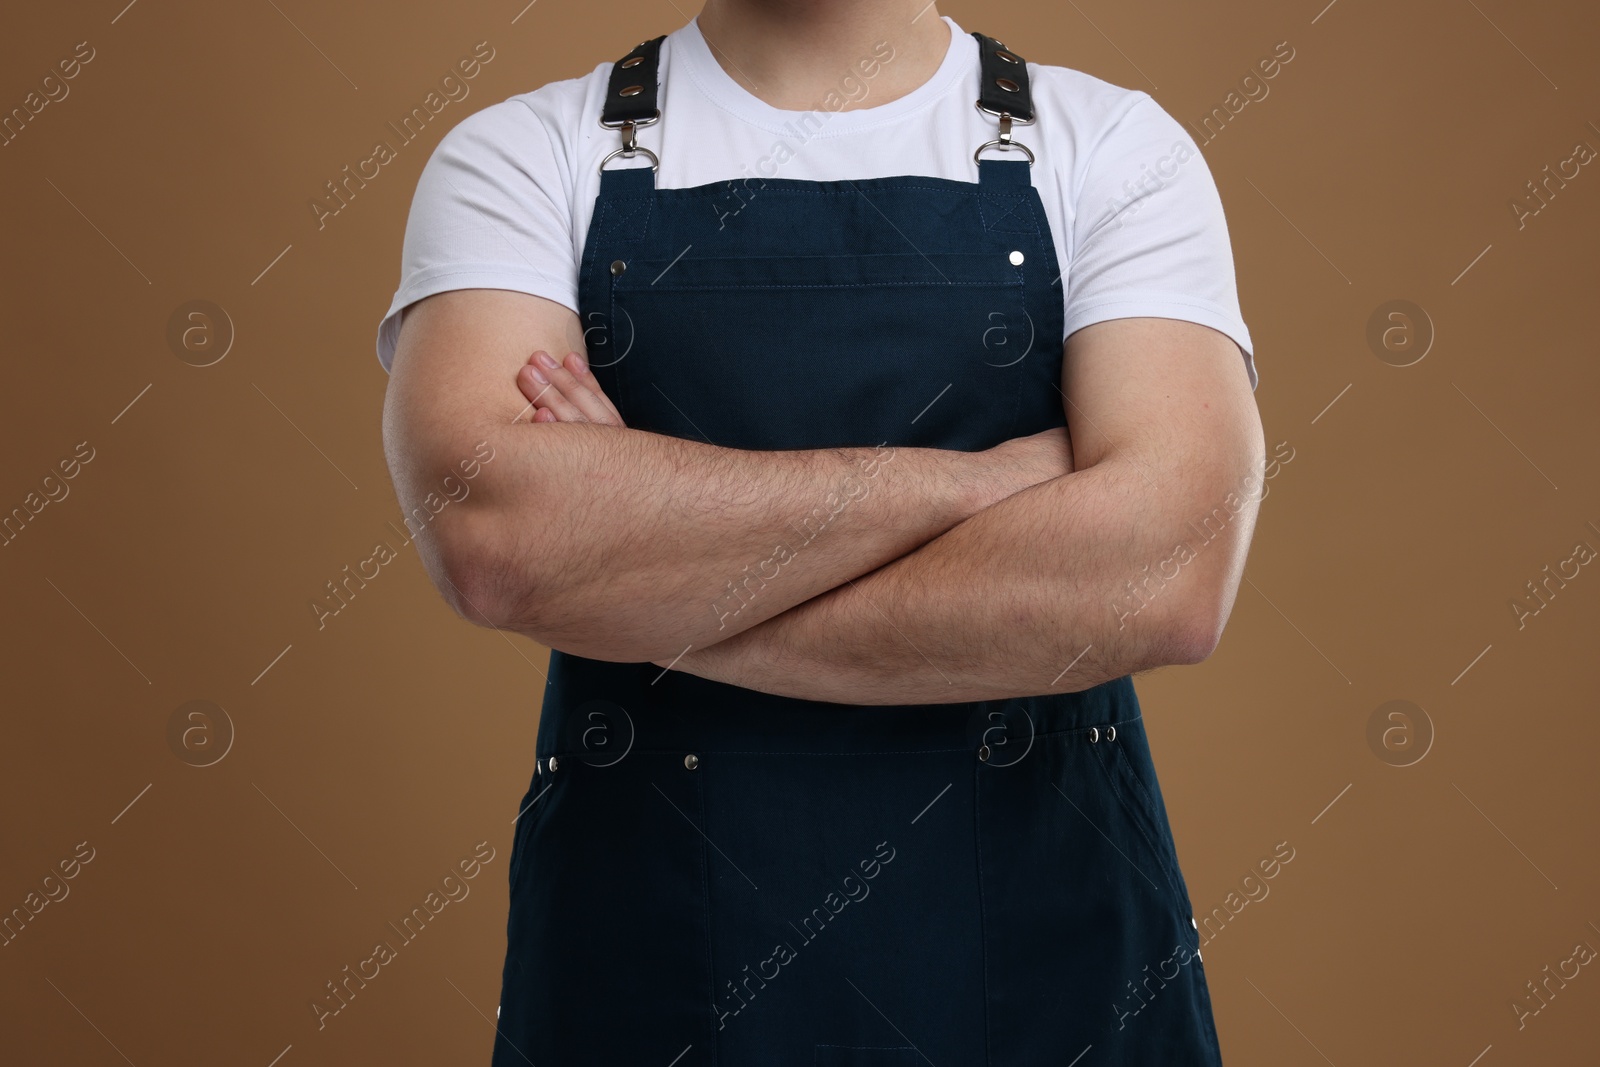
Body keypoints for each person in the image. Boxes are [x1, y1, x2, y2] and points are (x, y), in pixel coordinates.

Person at [377, 1, 1264, 1063]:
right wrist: (984, 483)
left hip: (1055, 973)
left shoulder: (1118, 148)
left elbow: (1170, 570)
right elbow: (497, 536)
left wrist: (656, 602)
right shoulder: (520, 157)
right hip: (653, 967)